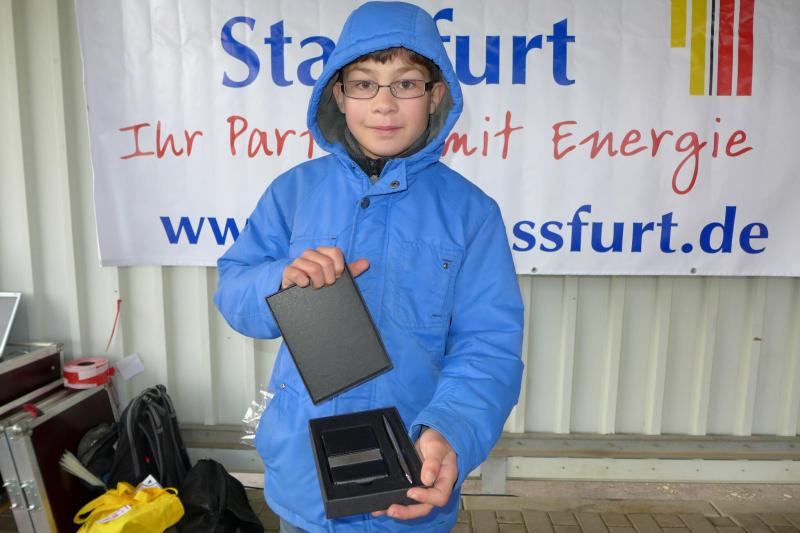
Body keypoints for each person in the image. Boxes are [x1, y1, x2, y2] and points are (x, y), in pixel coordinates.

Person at [214, 2, 524, 531]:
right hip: (305, 481)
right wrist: (279, 280)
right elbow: (233, 291)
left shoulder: (472, 214)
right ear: (338, 94)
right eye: (363, 83)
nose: (384, 103)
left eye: (406, 83)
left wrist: (448, 431)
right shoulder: (293, 193)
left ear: (436, 95)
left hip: (410, 472)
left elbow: (488, 346)